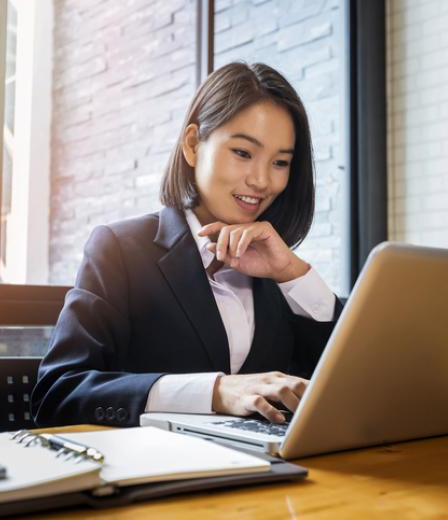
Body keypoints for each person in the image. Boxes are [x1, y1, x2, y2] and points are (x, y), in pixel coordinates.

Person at [31, 62, 342, 428]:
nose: (261, 180)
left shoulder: (280, 276)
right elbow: (58, 393)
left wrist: (293, 274)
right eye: (242, 152)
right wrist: (215, 392)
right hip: (154, 474)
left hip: (267, 476)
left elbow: (345, 385)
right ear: (193, 145)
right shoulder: (121, 249)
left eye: (280, 162)